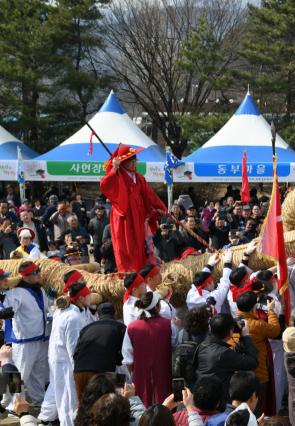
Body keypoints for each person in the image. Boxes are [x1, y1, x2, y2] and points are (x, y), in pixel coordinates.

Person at [100, 145, 167, 273]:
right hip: (124, 214)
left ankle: (141, 270)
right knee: (125, 245)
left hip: (138, 214)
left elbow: (149, 194)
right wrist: (114, 170)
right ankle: (127, 272)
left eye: (135, 161)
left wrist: (160, 208)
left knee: (139, 244)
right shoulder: (118, 175)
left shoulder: (139, 178)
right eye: (130, 161)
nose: (134, 164)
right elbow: (105, 183)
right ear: (122, 162)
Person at [2, 261, 52, 411]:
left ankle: (39, 401)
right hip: (24, 342)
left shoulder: (41, 290)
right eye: (35, 273)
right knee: (18, 376)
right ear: (26, 278)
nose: (39, 274)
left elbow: (48, 307)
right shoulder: (16, 292)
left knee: (38, 374)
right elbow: (7, 309)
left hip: (39, 338)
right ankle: (13, 406)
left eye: (39, 271)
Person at [122, 292, 180, 407]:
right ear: (156, 307)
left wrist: (135, 375)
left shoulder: (131, 327)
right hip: (165, 374)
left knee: (143, 409)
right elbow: (176, 347)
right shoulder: (169, 325)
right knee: (165, 408)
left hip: (140, 376)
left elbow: (127, 359)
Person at [48, 281, 92, 426]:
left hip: (59, 360)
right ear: (80, 298)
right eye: (88, 295)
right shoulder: (74, 317)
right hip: (67, 363)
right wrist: (77, 371)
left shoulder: (63, 311)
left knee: (63, 399)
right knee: (69, 401)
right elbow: (74, 347)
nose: (91, 297)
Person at [230, 292, 280, 417]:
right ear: (254, 308)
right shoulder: (258, 325)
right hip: (256, 375)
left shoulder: (229, 323)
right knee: (255, 413)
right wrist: (271, 311)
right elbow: (275, 330)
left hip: (235, 375)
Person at [195, 314, 259, 405]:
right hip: (219, 405)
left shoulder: (203, 345)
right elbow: (252, 362)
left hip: (204, 399)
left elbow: (231, 357)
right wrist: (246, 337)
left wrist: (241, 339)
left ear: (211, 329)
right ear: (230, 333)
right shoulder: (223, 353)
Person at [73, 303, 127, 401]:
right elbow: (124, 353)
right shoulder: (121, 327)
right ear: (115, 314)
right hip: (101, 372)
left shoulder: (86, 328)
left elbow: (76, 352)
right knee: (102, 407)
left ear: (98, 316)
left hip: (79, 371)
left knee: (82, 407)